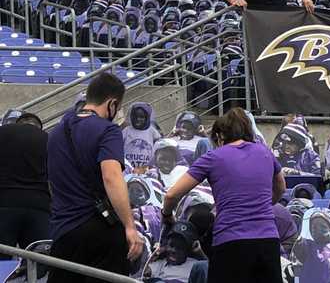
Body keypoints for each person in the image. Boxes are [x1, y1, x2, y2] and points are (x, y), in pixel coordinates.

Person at [162, 107, 285, 283]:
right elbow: (281, 187)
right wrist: (259, 205)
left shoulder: (213, 157)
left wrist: (167, 215)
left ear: (220, 136)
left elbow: (171, 195)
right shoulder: (265, 152)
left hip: (231, 242)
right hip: (268, 242)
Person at [47, 72, 144, 282]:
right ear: (112, 103)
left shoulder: (56, 132)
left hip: (63, 231)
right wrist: (129, 225)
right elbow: (111, 177)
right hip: (99, 231)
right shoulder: (108, 131)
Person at [0, 110, 49, 252]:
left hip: (4, 203)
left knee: (2, 260)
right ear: (39, 126)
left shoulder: (3, 133)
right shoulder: (47, 138)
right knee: (39, 261)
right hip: (39, 206)